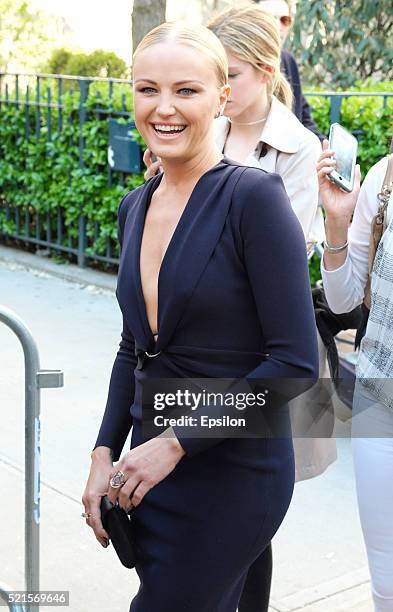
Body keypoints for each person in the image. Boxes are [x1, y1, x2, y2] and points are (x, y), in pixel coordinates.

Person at [82, 20, 319, 612]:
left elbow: (294, 364)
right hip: (147, 471)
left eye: (186, 90)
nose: (163, 108)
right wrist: (104, 452)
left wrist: (176, 443)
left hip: (233, 473)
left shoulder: (253, 199)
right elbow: (132, 347)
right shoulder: (135, 205)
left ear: (223, 96)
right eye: (147, 89)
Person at [144, 7, 335, 609]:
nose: (171, 104)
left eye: (210, 79)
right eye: (151, 89)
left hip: (260, 357)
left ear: (256, 73)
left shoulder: (295, 150)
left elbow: (287, 252)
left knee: (244, 524)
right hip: (191, 365)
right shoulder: (199, 135)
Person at [318, 141, 393, 611]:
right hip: (381, 400)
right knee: (386, 587)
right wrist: (337, 221)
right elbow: (344, 302)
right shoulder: (385, 178)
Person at [254, 0, 324, 142]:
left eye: (284, 20)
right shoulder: (242, 65)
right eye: (270, 18)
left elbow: (303, 117)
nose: (278, 26)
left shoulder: (287, 60)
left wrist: (324, 146)